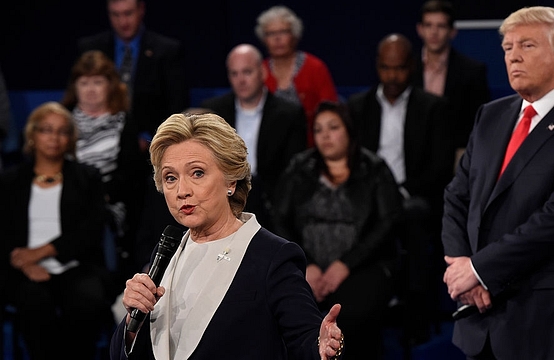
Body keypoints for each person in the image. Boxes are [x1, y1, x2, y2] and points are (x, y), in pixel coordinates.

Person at [441, 6, 554, 359]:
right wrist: (461, 263)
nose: (513, 57)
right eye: (507, 48)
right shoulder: (490, 116)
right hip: (483, 319)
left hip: (550, 321)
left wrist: (480, 271)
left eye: (526, 45)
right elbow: (456, 196)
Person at [110, 112, 344, 360]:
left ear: (231, 179)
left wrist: (322, 346)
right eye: (170, 178)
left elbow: (305, 339)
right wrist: (132, 323)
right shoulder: (167, 253)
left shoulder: (272, 256)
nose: (182, 191)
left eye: (197, 173)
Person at [271, 101, 403, 359]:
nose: (325, 136)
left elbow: (387, 224)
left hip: (363, 265)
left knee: (352, 312)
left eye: (333, 128)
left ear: (349, 131)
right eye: (319, 130)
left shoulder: (374, 169)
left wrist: (345, 264)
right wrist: (305, 264)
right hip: (307, 267)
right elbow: (279, 220)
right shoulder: (299, 168)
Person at [347, 33, 454, 345]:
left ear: (412, 67)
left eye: (399, 68)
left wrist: (396, 194)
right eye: (385, 68)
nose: (392, 76)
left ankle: (415, 315)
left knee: (413, 216)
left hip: (413, 198)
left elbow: (439, 168)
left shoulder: (434, 108)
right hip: (365, 196)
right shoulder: (357, 106)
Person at [0, 101, 112, 360]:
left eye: (62, 131)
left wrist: (40, 252)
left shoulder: (88, 178)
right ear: (32, 135)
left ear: (70, 138)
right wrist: (24, 262)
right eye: (46, 130)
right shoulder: (10, 181)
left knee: (88, 299)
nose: (54, 138)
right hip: (22, 269)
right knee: (32, 302)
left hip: (77, 265)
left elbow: (91, 229)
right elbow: (3, 232)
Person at [61, 49, 147, 289]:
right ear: (75, 86)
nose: (90, 89)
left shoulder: (123, 122)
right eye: (84, 82)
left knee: (95, 219)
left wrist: (97, 196)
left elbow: (130, 177)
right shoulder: (62, 122)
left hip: (108, 202)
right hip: (65, 198)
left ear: (110, 85)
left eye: (97, 82)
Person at [200, 43, 307, 230]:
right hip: (224, 197)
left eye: (247, 72)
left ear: (263, 72)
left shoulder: (289, 114)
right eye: (234, 74)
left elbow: (294, 171)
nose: (241, 80)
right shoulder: (214, 111)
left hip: (272, 203)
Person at [78, 0, 189, 155]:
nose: (123, 22)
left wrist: (152, 138)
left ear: (141, 9)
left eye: (128, 13)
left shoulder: (167, 51)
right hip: (96, 143)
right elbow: (77, 97)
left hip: (150, 148)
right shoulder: (91, 48)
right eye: (115, 15)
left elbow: (177, 104)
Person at [415, 0, 491, 169]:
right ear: (419, 29)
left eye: (441, 26)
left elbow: (479, 122)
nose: (434, 32)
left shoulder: (472, 71)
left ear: (452, 32)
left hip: (455, 154)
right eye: (429, 25)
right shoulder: (407, 69)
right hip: (413, 153)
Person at [255, 5, 338, 147]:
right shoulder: (258, 71)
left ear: (294, 35)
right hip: (268, 146)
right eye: (270, 33)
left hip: (312, 145)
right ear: (264, 39)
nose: (277, 38)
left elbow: (331, 110)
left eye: (283, 32)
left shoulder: (315, 68)